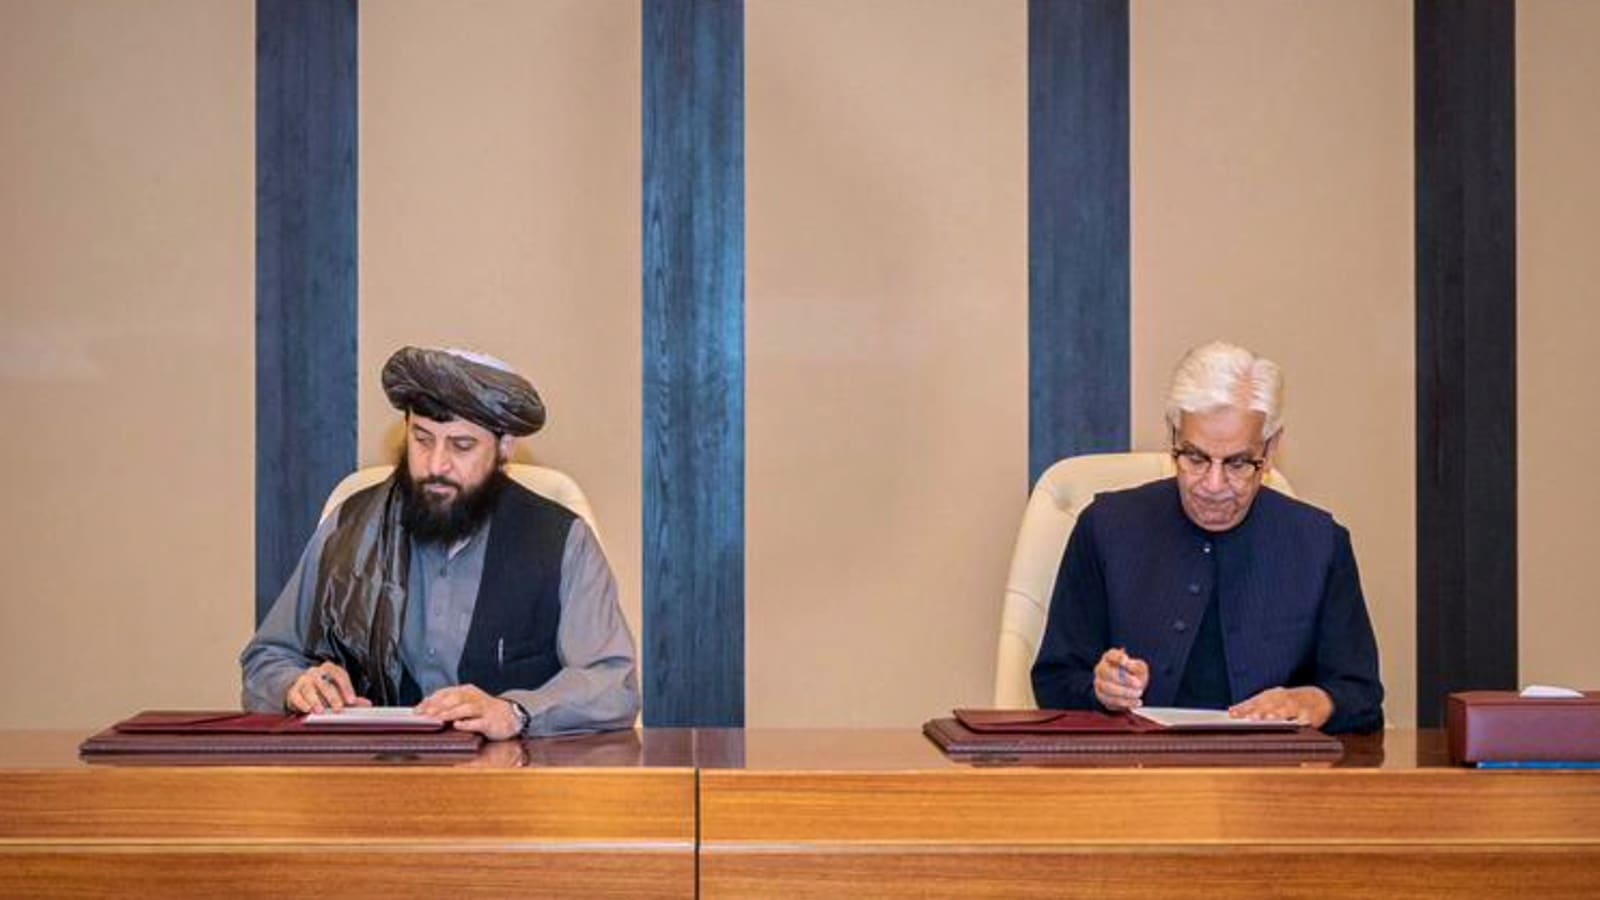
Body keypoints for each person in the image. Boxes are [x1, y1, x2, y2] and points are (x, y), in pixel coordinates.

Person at [242, 346, 640, 738]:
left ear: (504, 448)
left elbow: (612, 684)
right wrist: (295, 686)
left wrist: (516, 711)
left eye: (461, 446)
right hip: (373, 769)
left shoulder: (561, 540)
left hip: (509, 773)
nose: (436, 465)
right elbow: (266, 659)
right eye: (422, 439)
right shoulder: (350, 527)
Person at [1030, 341, 1383, 733]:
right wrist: (1100, 690)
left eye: (1237, 463)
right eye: (1195, 458)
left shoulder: (1320, 544)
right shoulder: (1104, 528)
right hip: (1136, 767)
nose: (1213, 485)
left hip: (1272, 769)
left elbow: (1362, 696)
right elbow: (1054, 679)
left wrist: (1315, 701)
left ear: (1270, 450)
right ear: (1172, 436)